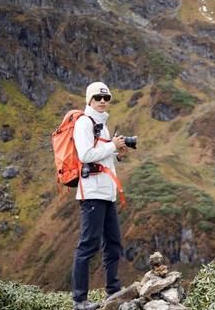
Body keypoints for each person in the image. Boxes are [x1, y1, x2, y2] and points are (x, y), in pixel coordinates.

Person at [72, 82, 127, 310]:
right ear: (89, 100)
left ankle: (113, 291)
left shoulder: (102, 125)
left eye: (106, 98)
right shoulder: (84, 123)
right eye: (97, 98)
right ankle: (80, 300)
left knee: (113, 243)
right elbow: (85, 155)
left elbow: (102, 157)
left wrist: (117, 153)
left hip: (106, 193)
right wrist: (112, 146)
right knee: (88, 245)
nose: (102, 101)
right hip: (92, 193)